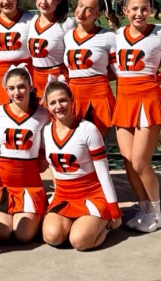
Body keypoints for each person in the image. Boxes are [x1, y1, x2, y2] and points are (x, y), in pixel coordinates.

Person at [111, 0, 161, 233]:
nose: (139, 13)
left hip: (148, 100)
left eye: (144, 8)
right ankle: (144, 208)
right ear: (125, 10)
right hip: (124, 99)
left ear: (151, 9)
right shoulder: (116, 36)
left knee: (140, 162)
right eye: (134, 8)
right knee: (128, 161)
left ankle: (156, 212)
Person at [42, 78, 122, 250]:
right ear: (47, 106)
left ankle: (104, 224)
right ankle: (79, 224)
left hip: (91, 195)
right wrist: (54, 194)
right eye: (53, 103)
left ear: (72, 100)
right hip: (63, 196)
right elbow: (53, 168)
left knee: (79, 242)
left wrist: (114, 209)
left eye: (63, 100)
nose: (58, 106)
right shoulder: (46, 131)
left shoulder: (88, 129)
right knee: (52, 237)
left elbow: (103, 173)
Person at [0, 64, 51, 243]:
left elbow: (45, 151)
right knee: (3, 233)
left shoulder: (43, 114)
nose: (17, 92)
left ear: (31, 87)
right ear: (6, 90)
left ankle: (42, 215)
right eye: (12, 88)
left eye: (21, 87)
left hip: (29, 184)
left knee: (23, 235)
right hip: (1, 184)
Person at [63, 0, 119, 136]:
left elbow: (117, 72)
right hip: (74, 95)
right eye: (80, 5)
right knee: (74, 141)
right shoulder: (68, 36)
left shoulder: (108, 37)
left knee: (98, 142)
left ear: (98, 14)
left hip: (99, 96)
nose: (81, 12)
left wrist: (95, 79)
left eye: (89, 9)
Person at [28, 0, 75, 97]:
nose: (43, 2)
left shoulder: (67, 24)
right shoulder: (31, 21)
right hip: (36, 81)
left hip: (58, 81)